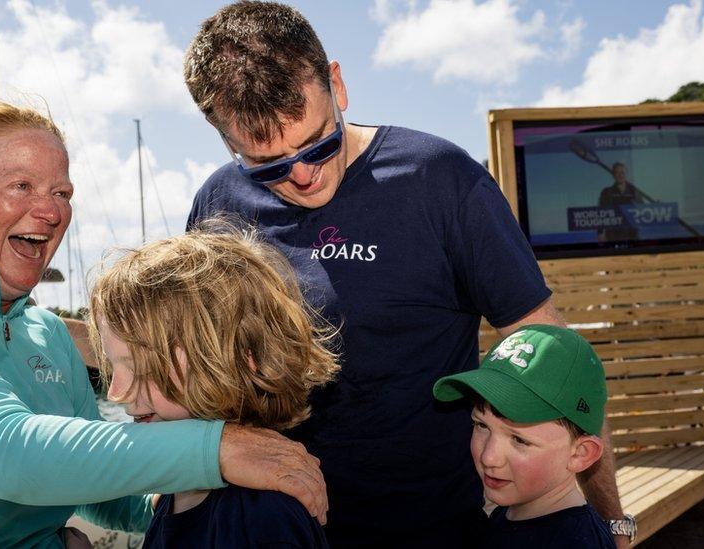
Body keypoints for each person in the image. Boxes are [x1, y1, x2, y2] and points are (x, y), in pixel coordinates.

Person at [182, 2, 631, 547]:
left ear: (337, 84)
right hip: (277, 526)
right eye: (268, 165)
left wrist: (611, 522)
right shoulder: (218, 205)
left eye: (318, 143)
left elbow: (554, 363)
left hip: (430, 527)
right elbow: (194, 374)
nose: (302, 175)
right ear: (226, 141)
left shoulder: (440, 181)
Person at [0, 101, 326, 548]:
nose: (51, 210)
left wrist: (198, 512)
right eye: (22, 186)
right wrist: (217, 449)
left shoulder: (47, 333)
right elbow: (10, 454)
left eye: (62, 192)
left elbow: (91, 482)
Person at [88, 227, 336, 548]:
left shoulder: (263, 517)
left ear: (236, 362)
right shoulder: (174, 495)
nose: (115, 393)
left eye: (141, 368)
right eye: (112, 367)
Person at [433, 325, 618, 548]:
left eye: (519, 440)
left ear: (580, 454)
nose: (489, 458)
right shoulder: (515, 511)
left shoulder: (575, 542)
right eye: (481, 425)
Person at [597, 162, 640, 241]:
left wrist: (657, 206)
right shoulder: (606, 192)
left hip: (632, 235)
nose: (620, 175)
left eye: (622, 172)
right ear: (613, 175)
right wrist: (600, 233)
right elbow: (600, 213)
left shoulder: (635, 191)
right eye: (617, 173)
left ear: (626, 174)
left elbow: (644, 210)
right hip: (612, 235)